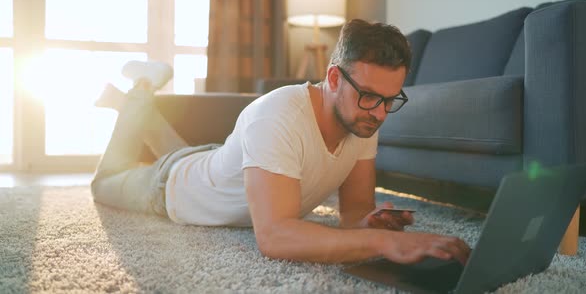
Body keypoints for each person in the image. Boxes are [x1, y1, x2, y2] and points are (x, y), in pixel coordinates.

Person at [92, 19, 471, 265]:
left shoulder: (363, 119)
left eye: (391, 100)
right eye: (371, 96)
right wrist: (385, 244)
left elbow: (354, 213)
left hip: (229, 166)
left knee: (189, 155)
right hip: (169, 186)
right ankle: (140, 87)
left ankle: (127, 102)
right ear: (334, 79)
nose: (381, 113)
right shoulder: (278, 115)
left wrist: (370, 225)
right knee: (104, 182)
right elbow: (274, 236)